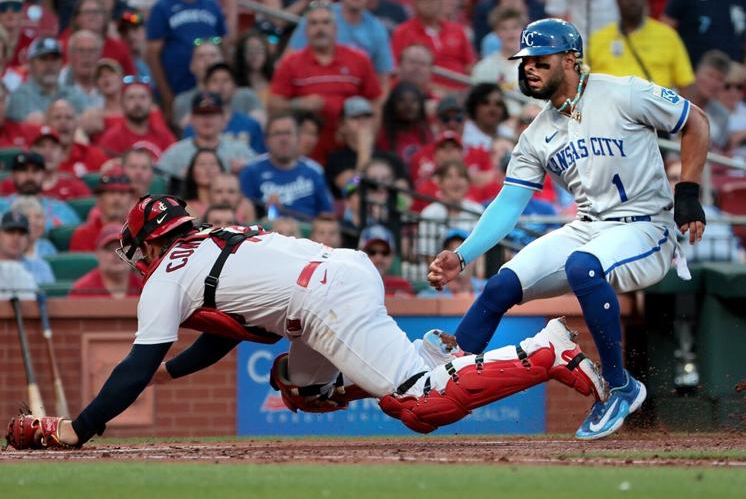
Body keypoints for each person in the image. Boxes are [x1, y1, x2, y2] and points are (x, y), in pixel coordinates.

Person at [3, 194, 606, 449]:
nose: (137, 259)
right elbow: (228, 335)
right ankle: (423, 354)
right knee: (299, 387)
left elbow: (137, 361)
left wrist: (78, 427)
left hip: (320, 302)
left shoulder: (166, 274)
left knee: (421, 407)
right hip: (335, 276)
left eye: (136, 247)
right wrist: (167, 376)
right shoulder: (217, 236)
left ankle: (545, 350)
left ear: (148, 241)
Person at [427, 19, 710, 440]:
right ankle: (447, 371)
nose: (529, 70)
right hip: (589, 227)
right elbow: (509, 203)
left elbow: (697, 121)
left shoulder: (622, 91)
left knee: (583, 266)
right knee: (500, 286)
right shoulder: (537, 132)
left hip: (647, 227)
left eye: (540, 61)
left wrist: (687, 191)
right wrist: (463, 255)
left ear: (571, 59)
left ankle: (620, 386)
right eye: (525, 63)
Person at [268, 1, 382, 164]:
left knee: (353, 186)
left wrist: (368, 136)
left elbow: (375, 100)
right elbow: (273, 104)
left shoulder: (358, 60)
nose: (320, 29)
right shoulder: (290, 63)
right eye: (313, 23)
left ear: (336, 29)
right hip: (306, 155)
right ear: (306, 31)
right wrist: (300, 103)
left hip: (348, 152)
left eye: (325, 22)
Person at [240, 112, 334, 220]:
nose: (284, 139)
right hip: (266, 232)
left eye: (288, 133)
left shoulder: (314, 171)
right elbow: (244, 216)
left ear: (298, 138)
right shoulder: (251, 171)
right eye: (277, 133)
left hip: (308, 233)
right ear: (266, 141)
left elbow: (327, 214)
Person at [145, 0, 227, 120]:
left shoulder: (211, 4)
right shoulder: (162, 7)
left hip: (213, 89)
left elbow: (224, 42)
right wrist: (167, 97)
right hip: (176, 87)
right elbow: (152, 55)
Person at [588, 0, 694, 93]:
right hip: (608, 111)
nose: (632, 1)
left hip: (653, 111)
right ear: (617, 1)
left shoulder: (668, 36)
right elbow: (580, 82)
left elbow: (685, 85)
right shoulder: (598, 39)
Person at [288, 0, 393, 91]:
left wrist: (375, 111)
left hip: (355, 97)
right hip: (309, 87)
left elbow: (383, 83)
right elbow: (287, 62)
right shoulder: (319, 17)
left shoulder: (377, 29)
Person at [158, 91, 255, 179]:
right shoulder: (176, 153)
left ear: (224, 119)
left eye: (212, 114)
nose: (207, 119)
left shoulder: (239, 151)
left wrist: (246, 171)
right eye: (202, 114)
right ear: (192, 119)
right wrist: (180, 180)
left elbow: (259, 175)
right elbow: (158, 181)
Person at [326, 96, 408, 199]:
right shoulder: (337, 159)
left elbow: (405, 197)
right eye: (355, 117)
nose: (362, 121)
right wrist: (364, 152)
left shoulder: (390, 157)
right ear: (342, 125)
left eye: (367, 116)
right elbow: (349, 189)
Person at [391, 0, 476, 90]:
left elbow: (470, 65)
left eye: (433, 0)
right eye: (425, 1)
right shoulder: (402, 32)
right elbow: (395, 70)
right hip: (422, 93)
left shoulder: (457, 30)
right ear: (414, 4)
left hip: (460, 92)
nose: (429, 4)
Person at [182, 62, 265, 154]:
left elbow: (259, 159)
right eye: (214, 81)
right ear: (205, 87)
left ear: (235, 87)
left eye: (225, 80)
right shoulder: (193, 127)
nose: (220, 86)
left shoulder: (251, 125)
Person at [6, 36, 90, 123]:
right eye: (43, 59)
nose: (49, 64)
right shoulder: (20, 96)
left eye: (54, 59)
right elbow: (32, 125)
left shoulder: (72, 93)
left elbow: (94, 120)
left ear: (61, 63)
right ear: (31, 64)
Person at [97, 78, 177, 159]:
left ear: (151, 102)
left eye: (143, 97)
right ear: (122, 103)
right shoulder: (111, 139)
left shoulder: (165, 136)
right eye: (131, 97)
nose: (137, 103)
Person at [0, 152, 81, 230]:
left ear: (44, 175)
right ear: (13, 175)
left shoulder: (60, 209)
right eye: (23, 170)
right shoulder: (2, 205)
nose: (29, 177)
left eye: (35, 171)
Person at [70, 223, 144, 298]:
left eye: (123, 249)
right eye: (109, 249)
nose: (117, 254)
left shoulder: (145, 287)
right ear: (97, 254)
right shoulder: (81, 290)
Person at [69, 168, 134, 251]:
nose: (117, 199)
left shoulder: (140, 233)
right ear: (99, 200)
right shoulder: (83, 235)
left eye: (122, 193)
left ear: (131, 200)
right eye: (111, 192)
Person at [46, 99, 108, 177]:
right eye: (57, 118)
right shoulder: (40, 158)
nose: (63, 122)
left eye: (68, 118)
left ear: (76, 125)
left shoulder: (93, 155)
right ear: (47, 124)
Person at [418, 228, 485, 297]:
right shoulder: (429, 295)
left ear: (475, 257)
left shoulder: (487, 289)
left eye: (464, 254)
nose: (458, 260)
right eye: (453, 252)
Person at [377, 82, 432, 166]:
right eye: (402, 100)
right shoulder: (383, 135)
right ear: (393, 105)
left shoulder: (426, 133)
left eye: (414, 101)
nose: (408, 106)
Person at [359, 223, 414, 296]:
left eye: (385, 252)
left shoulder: (402, 286)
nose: (378, 258)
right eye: (372, 252)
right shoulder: (350, 285)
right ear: (360, 254)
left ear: (392, 256)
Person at [0, 211, 39, 299]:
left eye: (22, 233)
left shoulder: (41, 267)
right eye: (10, 232)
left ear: (27, 238)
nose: (16, 238)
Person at [461, 82, 510, 151]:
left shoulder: (508, 135)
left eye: (498, 104)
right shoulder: (463, 132)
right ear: (474, 106)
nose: (492, 109)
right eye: (485, 103)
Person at [181, 148, 223, 218]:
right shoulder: (184, 208)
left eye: (213, 164)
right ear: (192, 172)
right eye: (202, 164)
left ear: (221, 170)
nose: (208, 168)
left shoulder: (240, 205)